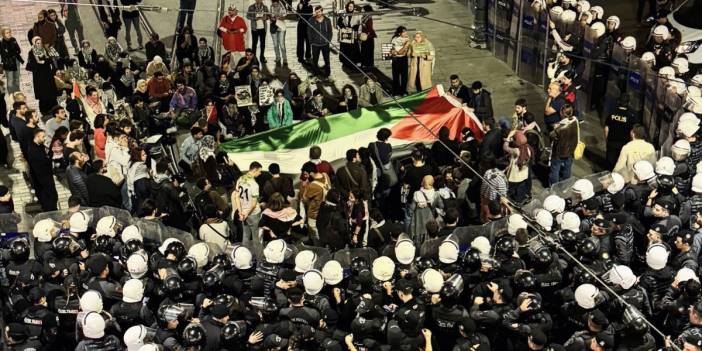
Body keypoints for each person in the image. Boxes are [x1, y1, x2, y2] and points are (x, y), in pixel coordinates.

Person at [27, 129, 58, 211]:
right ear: (37, 137)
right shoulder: (34, 150)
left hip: (45, 177)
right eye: (43, 137)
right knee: (49, 199)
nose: (45, 138)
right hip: (43, 180)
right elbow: (45, 161)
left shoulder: (37, 145)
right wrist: (50, 155)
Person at [26, 36, 58, 114]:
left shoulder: (45, 50)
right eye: (37, 43)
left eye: (40, 43)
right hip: (39, 76)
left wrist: (44, 62)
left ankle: (54, 108)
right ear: (34, 43)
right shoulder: (31, 52)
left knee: (51, 91)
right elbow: (32, 64)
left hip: (48, 74)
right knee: (43, 94)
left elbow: (51, 59)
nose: (39, 44)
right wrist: (40, 63)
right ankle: (45, 111)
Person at [232, 162, 262, 244]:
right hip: (253, 213)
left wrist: (241, 212)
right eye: (259, 171)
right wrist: (246, 214)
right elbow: (253, 204)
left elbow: (236, 197)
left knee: (245, 235)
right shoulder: (255, 185)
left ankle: (245, 254)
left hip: (243, 212)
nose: (260, 173)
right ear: (255, 170)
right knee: (256, 237)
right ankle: (259, 256)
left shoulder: (240, 179)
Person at [604, 94, 637, 169]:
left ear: (618, 101)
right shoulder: (631, 115)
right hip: (624, 144)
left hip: (612, 141)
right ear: (628, 103)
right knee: (620, 165)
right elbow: (632, 132)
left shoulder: (612, 112)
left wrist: (607, 140)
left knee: (609, 164)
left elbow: (606, 128)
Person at [549, 104, 578, 186]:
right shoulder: (575, 121)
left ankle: (554, 187)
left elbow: (551, 135)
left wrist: (556, 127)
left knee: (555, 170)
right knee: (567, 169)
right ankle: (566, 186)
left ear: (562, 113)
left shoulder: (560, 128)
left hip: (559, 153)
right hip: (570, 151)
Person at [504, 130, 533, 204]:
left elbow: (505, 147)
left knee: (509, 189)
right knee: (521, 188)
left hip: (515, 175)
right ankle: (519, 201)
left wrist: (508, 137)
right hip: (523, 173)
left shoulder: (516, 151)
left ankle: (508, 200)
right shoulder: (528, 148)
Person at [308, 5, 333, 80]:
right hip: (315, 44)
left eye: (319, 12)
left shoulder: (327, 20)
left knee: (327, 60)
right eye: (316, 12)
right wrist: (311, 41)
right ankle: (315, 73)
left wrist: (328, 40)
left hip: (325, 44)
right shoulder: (311, 20)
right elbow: (309, 31)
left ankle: (327, 74)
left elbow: (330, 32)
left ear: (322, 12)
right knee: (315, 60)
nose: (318, 14)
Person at [337, 1, 360, 69]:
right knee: (345, 47)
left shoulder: (356, 14)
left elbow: (358, 24)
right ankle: (345, 62)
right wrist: (344, 27)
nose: (350, 8)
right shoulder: (343, 13)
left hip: (352, 33)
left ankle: (354, 61)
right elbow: (339, 23)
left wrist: (352, 28)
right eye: (349, 6)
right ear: (347, 6)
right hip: (345, 34)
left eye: (352, 6)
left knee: (354, 47)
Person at [0, 27, 24, 94]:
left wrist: (11, 53)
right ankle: (11, 94)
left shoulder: (13, 39)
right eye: (7, 33)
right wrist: (12, 53)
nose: (9, 34)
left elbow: (18, 50)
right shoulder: (1, 43)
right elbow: (4, 55)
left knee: (17, 78)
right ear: (3, 34)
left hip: (16, 61)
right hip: (8, 63)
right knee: (10, 80)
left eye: (10, 32)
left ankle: (17, 93)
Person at [390, 26, 410, 96]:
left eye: (406, 31)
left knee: (404, 76)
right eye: (403, 32)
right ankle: (396, 92)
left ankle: (403, 91)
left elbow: (405, 52)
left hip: (404, 59)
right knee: (396, 76)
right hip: (396, 60)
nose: (405, 33)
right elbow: (399, 52)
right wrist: (406, 46)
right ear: (399, 33)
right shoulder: (395, 39)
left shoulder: (407, 39)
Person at [358, 5, 377, 69]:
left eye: (363, 10)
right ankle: (365, 64)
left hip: (368, 38)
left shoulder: (369, 18)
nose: (361, 11)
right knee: (364, 51)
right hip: (364, 37)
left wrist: (363, 25)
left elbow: (370, 29)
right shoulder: (364, 17)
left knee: (367, 51)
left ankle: (368, 65)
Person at [270, 0, 288, 65]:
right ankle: (278, 57)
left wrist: (280, 17)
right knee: (275, 44)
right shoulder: (271, 7)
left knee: (281, 44)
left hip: (281, 28)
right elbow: (270, 16)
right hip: (273, 28)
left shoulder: (282, 7)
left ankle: (285, 58)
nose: (275, 4)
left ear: (278, 2)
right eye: (273, 3)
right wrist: (272, 18)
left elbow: (285, 15)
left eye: (276, 3)